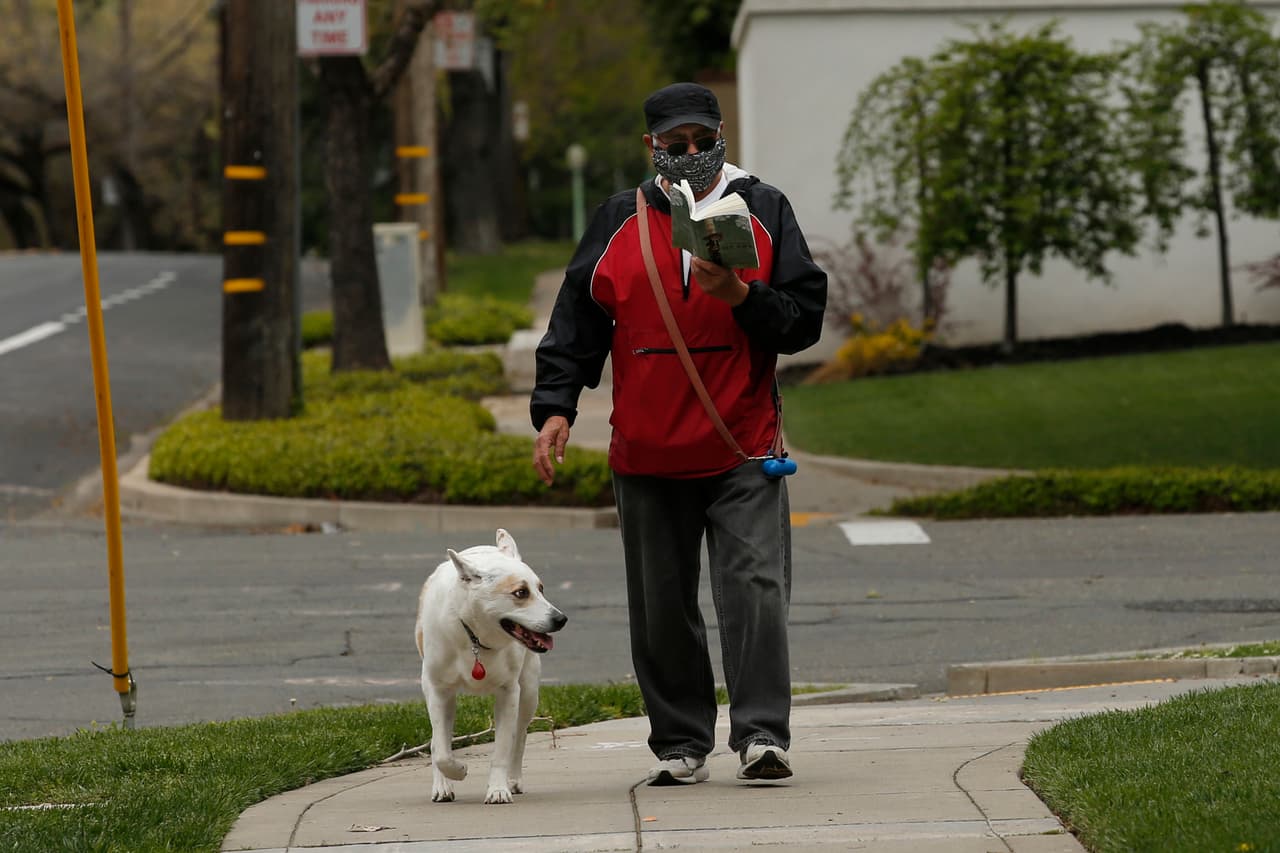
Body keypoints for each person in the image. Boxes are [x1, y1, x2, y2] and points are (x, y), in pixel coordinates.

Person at [530, 82, 827, 786]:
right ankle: (681, 741)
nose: (691, 153)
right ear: (651, 146)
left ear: (722, 136)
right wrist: (556, 406)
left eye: (703, 141)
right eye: (676, 144)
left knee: (755, 591)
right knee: (661, 605)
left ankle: (762, 735)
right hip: (647, 451)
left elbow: (803, 319)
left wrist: (743, 296)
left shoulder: (764, 208)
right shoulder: (617, 220)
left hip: (742, 445)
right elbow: (576, 322)